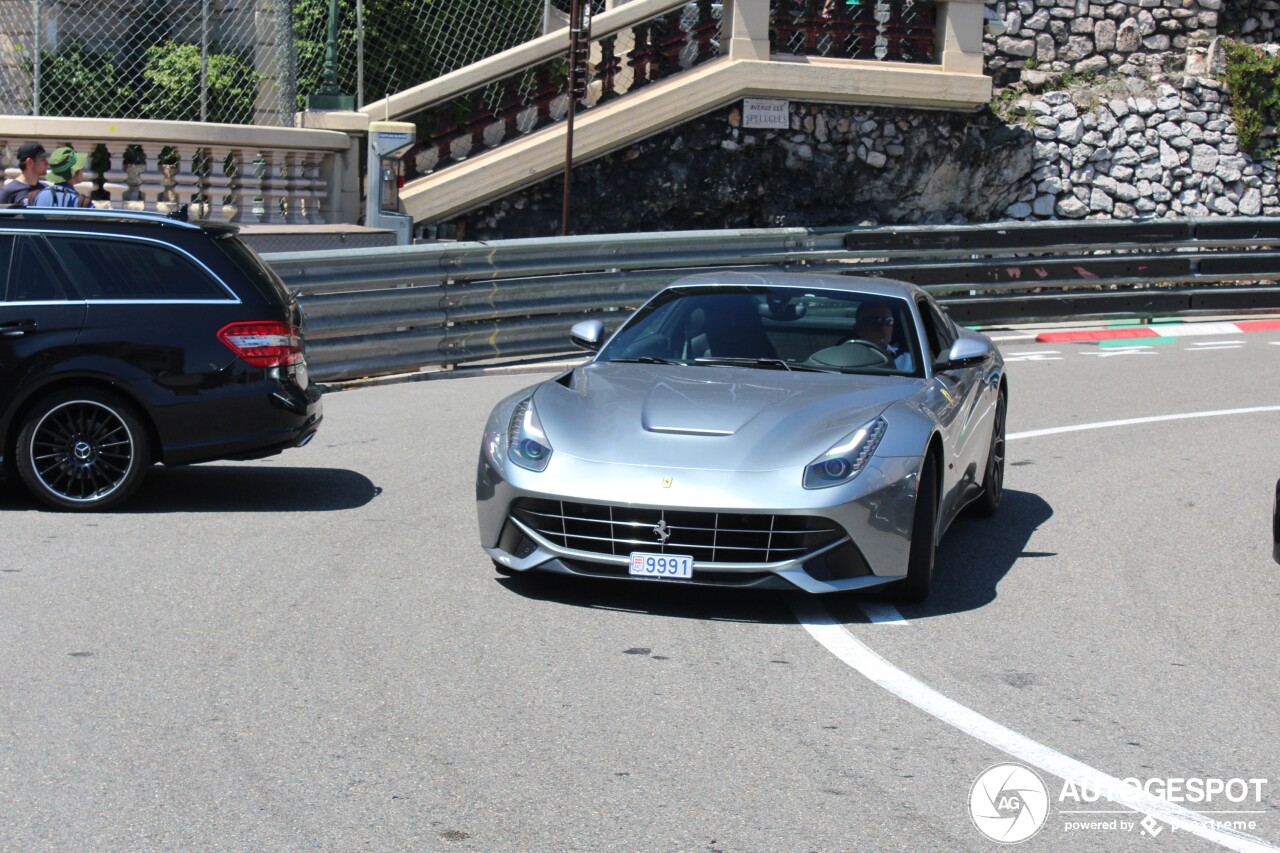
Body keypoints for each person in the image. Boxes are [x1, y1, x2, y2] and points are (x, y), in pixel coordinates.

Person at [851, 300, 913, 371]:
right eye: (874, 322)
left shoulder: (909, 362)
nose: (883, 327)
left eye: (888, 321)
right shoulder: (843, 357)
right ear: (858, 329)